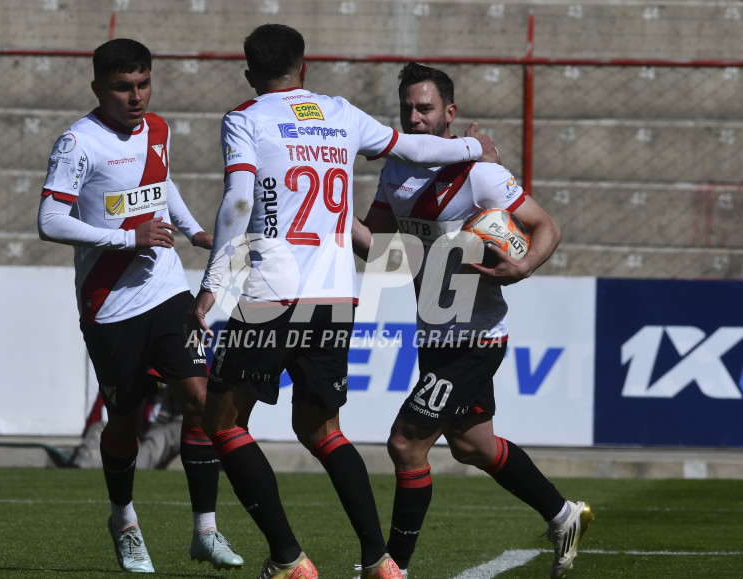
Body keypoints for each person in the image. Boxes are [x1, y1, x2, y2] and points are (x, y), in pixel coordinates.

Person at [187, 24, 495, 579]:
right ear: (303, 69)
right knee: (322, 431)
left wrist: (214, 281)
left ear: (250, 74)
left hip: (271, 295)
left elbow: (237, 197)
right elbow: (416, 148)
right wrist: (474, 146)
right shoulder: (337, 112)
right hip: (335, 296)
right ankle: (381, 562)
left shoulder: (246, 118)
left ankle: (288, 558)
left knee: (224, 422)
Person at [352, 61, 594, 579]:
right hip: (433, 332)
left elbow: (545, 226)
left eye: (425, 108)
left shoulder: (479, 173)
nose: (415, 118)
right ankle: (562, 514)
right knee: (472, 444)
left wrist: (524, 263)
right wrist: (331, 214)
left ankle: (393, 569)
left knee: (405, 442)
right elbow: (376, 249)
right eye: (407, 109)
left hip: (475, 337)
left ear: (449, 113)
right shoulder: (394, 169)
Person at [37, 38, 243, 573]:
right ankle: (124, 520)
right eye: (123, 87)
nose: (136, 96)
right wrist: (130, 238)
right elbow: (50, 221)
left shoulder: (158, 128)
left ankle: (206, 530)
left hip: (166, 289)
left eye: (143, 83)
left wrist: (194, 230)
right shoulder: (78, 144)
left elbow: (159, 183)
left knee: (200, 400)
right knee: (124, 421)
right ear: (98, 89)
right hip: (109, 303)